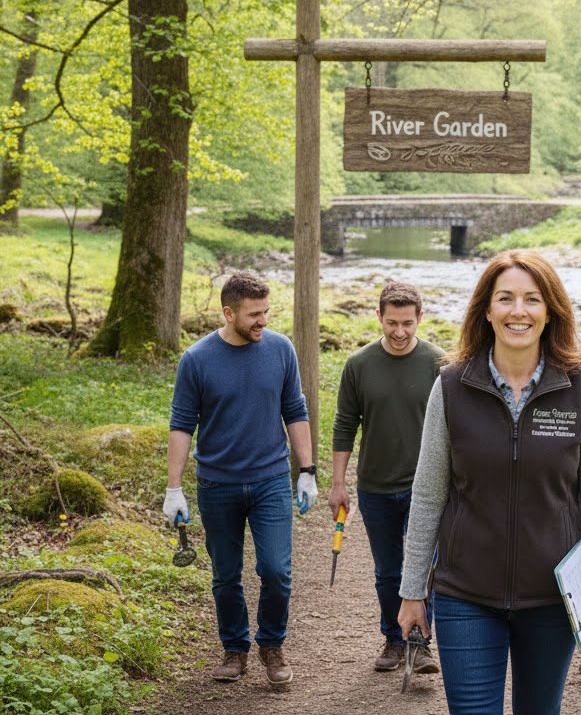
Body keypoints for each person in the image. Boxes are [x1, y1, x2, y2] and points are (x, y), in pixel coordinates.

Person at [397, 251, 581, 715]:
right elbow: (428, 494)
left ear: (550, 311)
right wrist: (412, 590)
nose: (518, 311)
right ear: (486, 310)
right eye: (505, 299)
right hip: (465, 594)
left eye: (531, 299)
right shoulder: (451, 386)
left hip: (551, 598)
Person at [163, 270, 317, 687]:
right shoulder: (197, 359)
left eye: (266, 312)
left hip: (270, 480)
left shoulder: (281, 349)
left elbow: (295, 410)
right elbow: (182, 424)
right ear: (229, 313)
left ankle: (272, 645)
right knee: (226, 574)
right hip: (217, 484)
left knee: (276, 570)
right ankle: (234, 649)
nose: (263, 321)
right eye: (254, 314)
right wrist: (174, 489)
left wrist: (307, 471)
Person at [329, 281, 444, 673]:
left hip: (425, 487)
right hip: (375, 486)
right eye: (392, 323)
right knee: (388, 570)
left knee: (423, 566)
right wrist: (338, 484)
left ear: (420, 318)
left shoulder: (438, 364)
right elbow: (345, 425)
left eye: (407, 323)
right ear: (378, 316)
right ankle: (394, 640)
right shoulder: (359, 365)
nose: (399, 332)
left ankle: (420, 642)